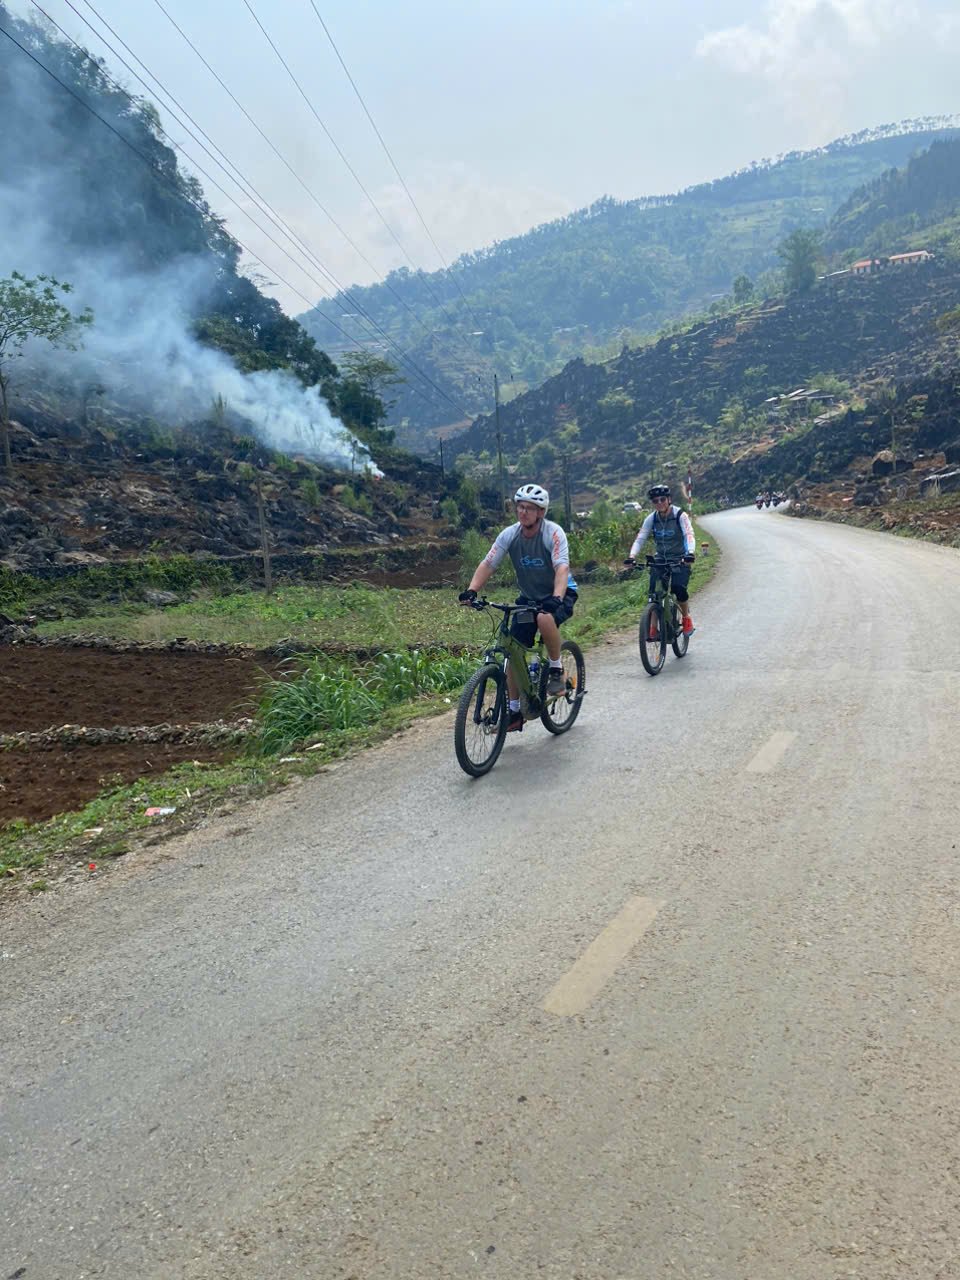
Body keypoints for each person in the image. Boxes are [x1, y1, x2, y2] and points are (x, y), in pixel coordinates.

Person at [459, 483, 578, 732]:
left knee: (544, 618)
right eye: (520, 507)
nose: (523, 512)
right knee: (513, 649)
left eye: (529, 508)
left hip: (560, 592)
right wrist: (472, 590)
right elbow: (489, 563)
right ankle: (514, 711)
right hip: (529, 596)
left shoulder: (553, 533)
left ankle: (556, 671)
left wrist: (556, 597)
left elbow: (561, 568)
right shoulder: (509, 534)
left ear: (541, 512)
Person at [623, 483, 696, 635]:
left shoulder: (679, 515)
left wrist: (690, 553)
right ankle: (652, 627)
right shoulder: (651, 518)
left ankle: (686, 617)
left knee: (678, 588)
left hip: (680, 559)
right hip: (661, 559)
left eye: (662, 499)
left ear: (669, 499)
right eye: (655, 501)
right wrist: (631, 556)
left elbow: (688, 534)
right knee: (654, 593)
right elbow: (640, 538)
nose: (659, 503)